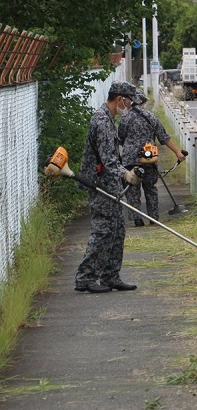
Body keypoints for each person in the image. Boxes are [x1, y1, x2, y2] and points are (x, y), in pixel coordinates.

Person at [74, 81, 142, 293]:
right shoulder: (102, 121)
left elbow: (112, 158)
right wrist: (125, 174)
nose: (130, 106)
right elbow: (108, 159)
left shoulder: (108, 119)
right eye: (129, 101)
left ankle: (110, 276)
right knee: (103, 231)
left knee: (117, 230)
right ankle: (85, 278)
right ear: (120, 99)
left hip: (110, 184)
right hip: (100, 184)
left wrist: (123, 175)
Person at [118, 90, 187, 226]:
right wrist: (178, 153)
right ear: (143, 103)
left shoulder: (125, 119)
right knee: (150, 188)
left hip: (130, 160)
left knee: (132, 189)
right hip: (148, 158)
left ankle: (137, 219)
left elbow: (120, 138)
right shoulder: (151, 117)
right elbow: (164, 138)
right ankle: (154, 218)